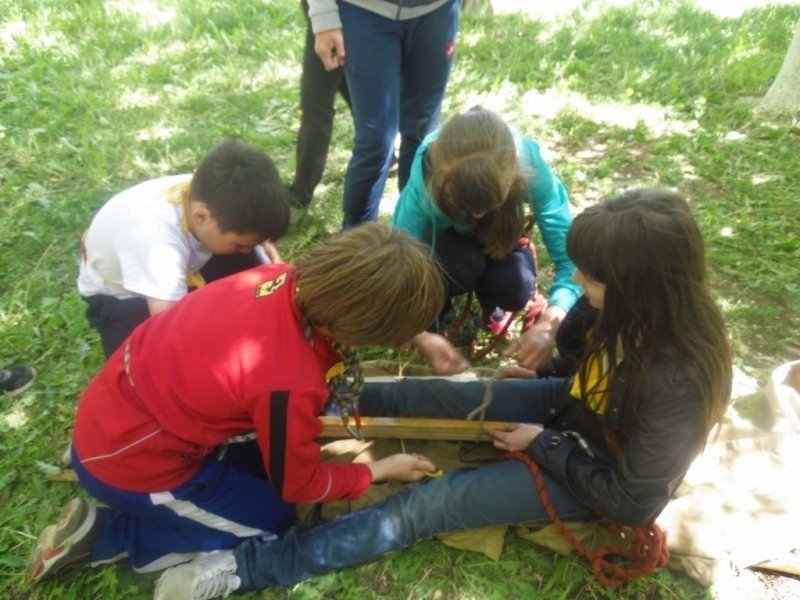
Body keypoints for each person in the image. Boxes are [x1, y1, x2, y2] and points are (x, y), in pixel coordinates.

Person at [153, 189, 733, 600]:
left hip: (594, 471)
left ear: (635, 286)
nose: (576, 280)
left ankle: (247, 568)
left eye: (591, 275)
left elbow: (632, 503)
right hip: (569, 410)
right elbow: (585, 369)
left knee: (433, 505)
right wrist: (546, 378)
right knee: (432, 394)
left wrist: (543, 444)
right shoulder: (616, 309)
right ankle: (295, 409)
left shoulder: (676, 384)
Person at [25, 223, 444, 586]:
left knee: (263, 471)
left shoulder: (280, 277)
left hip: (115, 414)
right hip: (134, 463)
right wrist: (378, 470)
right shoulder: (289, 380)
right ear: (355, 326)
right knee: (274, 521)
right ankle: (105, 533)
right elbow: (299, 485)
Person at [395, 108, 581, 375]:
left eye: (490, 204)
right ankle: (436, 311)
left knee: (515, 286)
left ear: (515, 176)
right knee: (457, 267)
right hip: (449, 248)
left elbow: (573, 261)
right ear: (440, 182)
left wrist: (549, 325)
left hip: (501, 239)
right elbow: (395, 262)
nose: (478, 216)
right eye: (464, 204)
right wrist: (416, 331)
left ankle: (493, 304)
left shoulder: (530, 167)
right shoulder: (424, 180)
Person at [77, 138, 290, 358]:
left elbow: (258, 240)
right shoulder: (158, 247)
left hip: (181, 260)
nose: (247, 250)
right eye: (240, 245)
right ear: (201, 217)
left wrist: (271, 260)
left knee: (257, 282)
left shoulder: (216, 196)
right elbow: (170, 326)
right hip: (125, 295)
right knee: (143, 360)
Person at [308, 0, 460, 228]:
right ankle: (357, 239)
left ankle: (416, 232)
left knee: (423, 134)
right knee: (375, 142)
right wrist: (324, 17)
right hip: (364, 11)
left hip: (437, 11)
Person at [287, 0, 352, 217]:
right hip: (332, 12)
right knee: (340, 75)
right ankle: (385, 153)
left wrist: (325, 20)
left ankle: (299, 197)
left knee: (316, 103)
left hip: (336, 11)